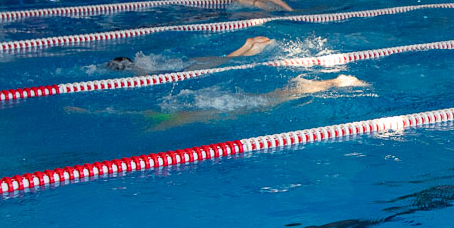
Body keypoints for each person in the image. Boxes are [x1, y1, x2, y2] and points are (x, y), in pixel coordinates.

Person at [143, 74, 367, 130]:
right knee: (222, 112)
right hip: (265, 101)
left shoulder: (312, 84)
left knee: (220, 110)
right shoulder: (317, 86)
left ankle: (167, 119)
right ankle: (170, 120)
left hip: (265, 99)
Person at [106, 36, 277, 74]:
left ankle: (249, 46)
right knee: (225, 59)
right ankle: (248, 46)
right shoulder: (143, 63)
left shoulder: (140, 71)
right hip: (185, 63)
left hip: (185, 68)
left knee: (227, 61)